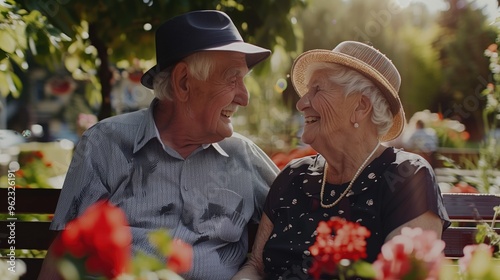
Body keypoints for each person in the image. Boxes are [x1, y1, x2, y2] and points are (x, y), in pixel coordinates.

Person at [39, 10, 279, 280]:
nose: (244, 97)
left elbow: (299, 221)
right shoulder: (106, 144)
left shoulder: (243, 156)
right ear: (183, 82)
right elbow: (65, 255)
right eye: (231, 78)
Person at [232, 41, 451, 280]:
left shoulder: (406, 177)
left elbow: (405, 275)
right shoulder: (293, 176)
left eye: (317, 89)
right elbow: (255, 265)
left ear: (360, 106)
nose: (301, 103)